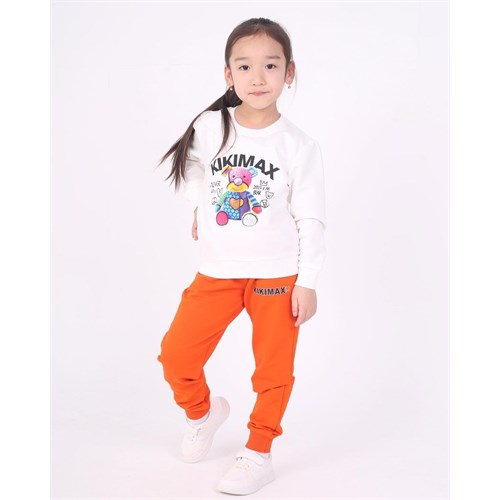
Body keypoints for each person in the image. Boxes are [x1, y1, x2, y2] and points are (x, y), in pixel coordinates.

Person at [156, 17, 327, 496]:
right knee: (176, 355)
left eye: (270, 66)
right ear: (228, 75)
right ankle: (203, 413)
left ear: (289, 72)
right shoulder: (212, 127)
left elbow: (311, 217)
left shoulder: (299, 145)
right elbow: (193, 168)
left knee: (273, 370)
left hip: (277, 275)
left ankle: (258, 452)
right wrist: (199, 205)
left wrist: (308, 280)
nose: (258, 77)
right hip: (217, 272)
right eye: (245, 66)